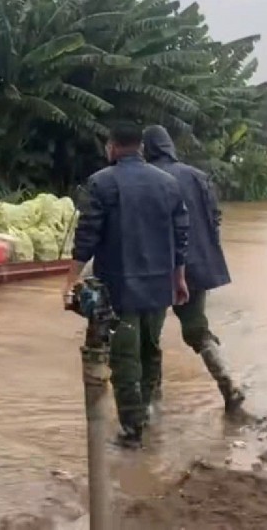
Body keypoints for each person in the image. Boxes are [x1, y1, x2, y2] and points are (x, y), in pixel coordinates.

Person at [63, 123, 190, 449]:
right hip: (159, 286)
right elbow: (181, 237)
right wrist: (179, 279)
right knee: (150, 348)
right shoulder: (168, 183)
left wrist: (71, 278)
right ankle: (146, 415)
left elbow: (87, 236)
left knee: (124, 358)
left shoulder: (101, 183)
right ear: (142, 148)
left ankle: (132, 430)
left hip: (119, 287)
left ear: (113, 147)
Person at [142, 125, 245, 411]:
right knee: (196, 327)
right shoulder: (198, 176)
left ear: (147, 148)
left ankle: (150, 407)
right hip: (196, 266)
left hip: (157, 268)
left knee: (148, 335)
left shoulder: (147, 179)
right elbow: (215, 219)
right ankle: (228, 382)